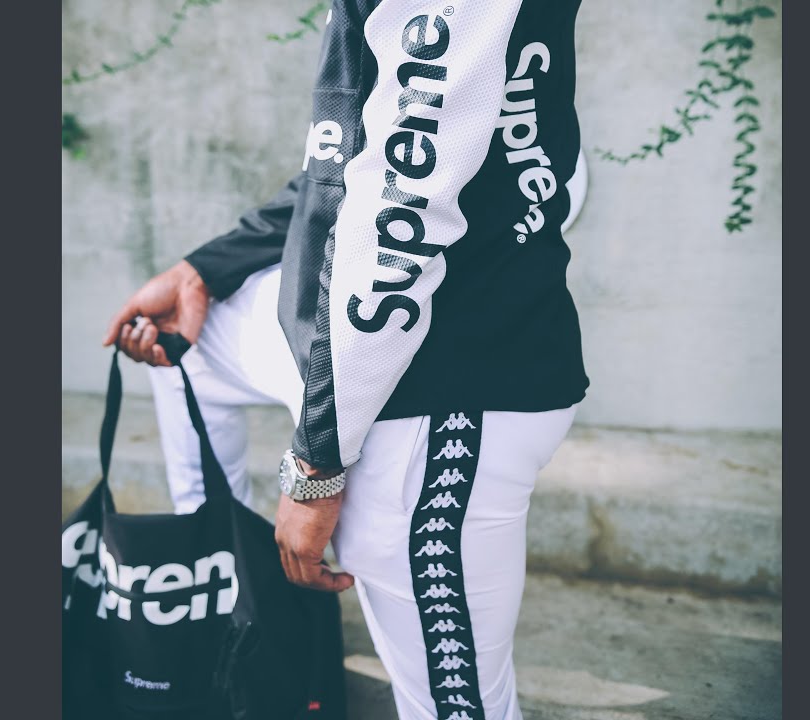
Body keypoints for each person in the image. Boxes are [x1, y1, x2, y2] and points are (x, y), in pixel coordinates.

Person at [102, 2, 588, 718]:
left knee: (456, 709)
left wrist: (316, 467)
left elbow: (402, 215)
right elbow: (350, 163)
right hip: (372, 351)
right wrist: (207, 268)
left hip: (433, 392)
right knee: (191, 347)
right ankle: (234, 599)